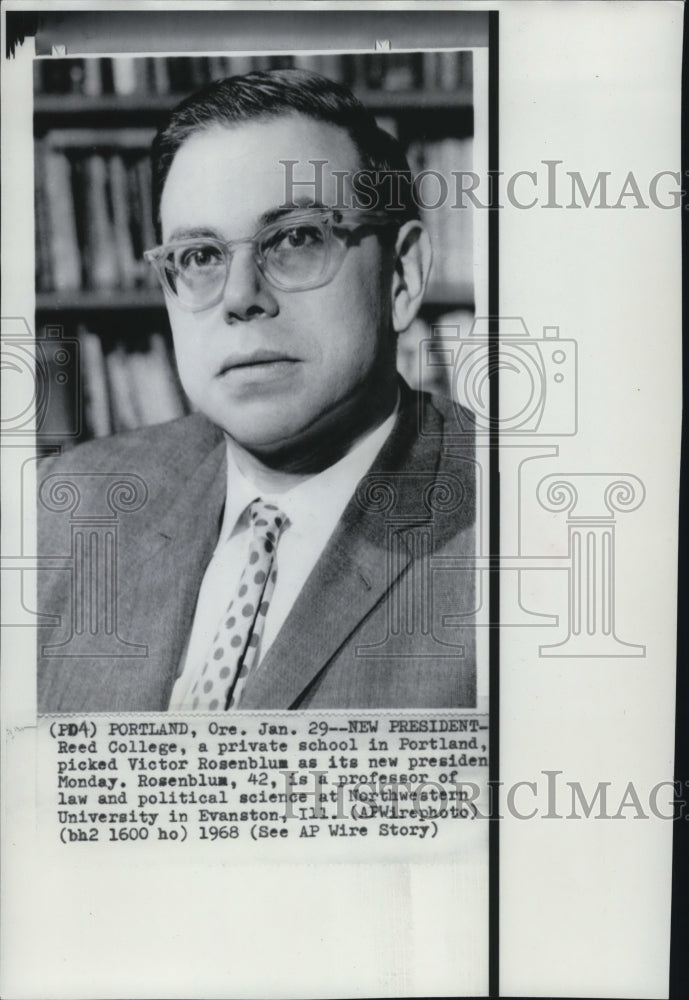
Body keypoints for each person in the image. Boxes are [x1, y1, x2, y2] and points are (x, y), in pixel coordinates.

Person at [37, 68, 477, 713]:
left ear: (401, 279)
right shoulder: (56, 511)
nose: (241, 297)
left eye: (297, 238)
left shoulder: (523, 527)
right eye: (200, 256)